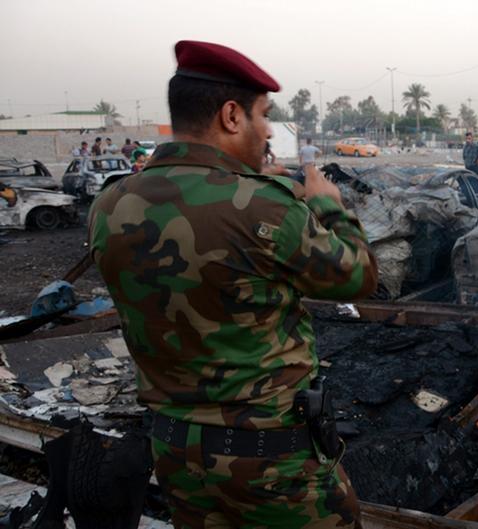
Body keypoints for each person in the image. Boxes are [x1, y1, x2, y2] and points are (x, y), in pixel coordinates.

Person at [88, 40, 376, 529]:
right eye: (262, 116)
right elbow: (359, 276)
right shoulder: (268, 206)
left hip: (176, 456)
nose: (266, 131)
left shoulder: (111, 203)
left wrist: (247, 184)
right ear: (230, 115)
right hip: (271, 466)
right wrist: (326, 203)